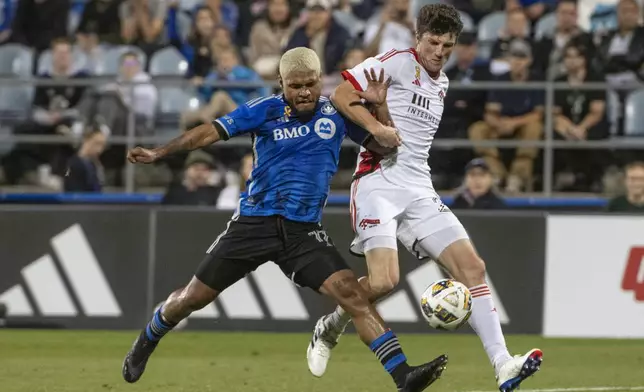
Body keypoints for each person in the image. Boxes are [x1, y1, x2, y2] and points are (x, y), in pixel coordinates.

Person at [122, 47, 448, 392]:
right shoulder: (264, 110)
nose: (304, 92)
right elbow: (209, 132)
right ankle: (148, 338)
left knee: (352, 294)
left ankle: (403, 375)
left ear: (321, 81)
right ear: (281, 84)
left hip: (303, 231)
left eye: (310, 84)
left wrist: (379, 106)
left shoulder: (338, 114)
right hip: (254, 223)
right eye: (295, 86)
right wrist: (160, 152)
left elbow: (385, 147)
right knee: (193, 298)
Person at [306, 4, 542, 392]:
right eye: (433, 42)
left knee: (473, 268)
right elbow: (341, 95)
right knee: (383, 282)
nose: (439, 52)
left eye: (447, 46)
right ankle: (330, 327)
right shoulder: (395, 62)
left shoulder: (442, 83)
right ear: (418, 37)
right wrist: (375, 129)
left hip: (418, 187)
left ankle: (503, 365)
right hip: (377, 183)